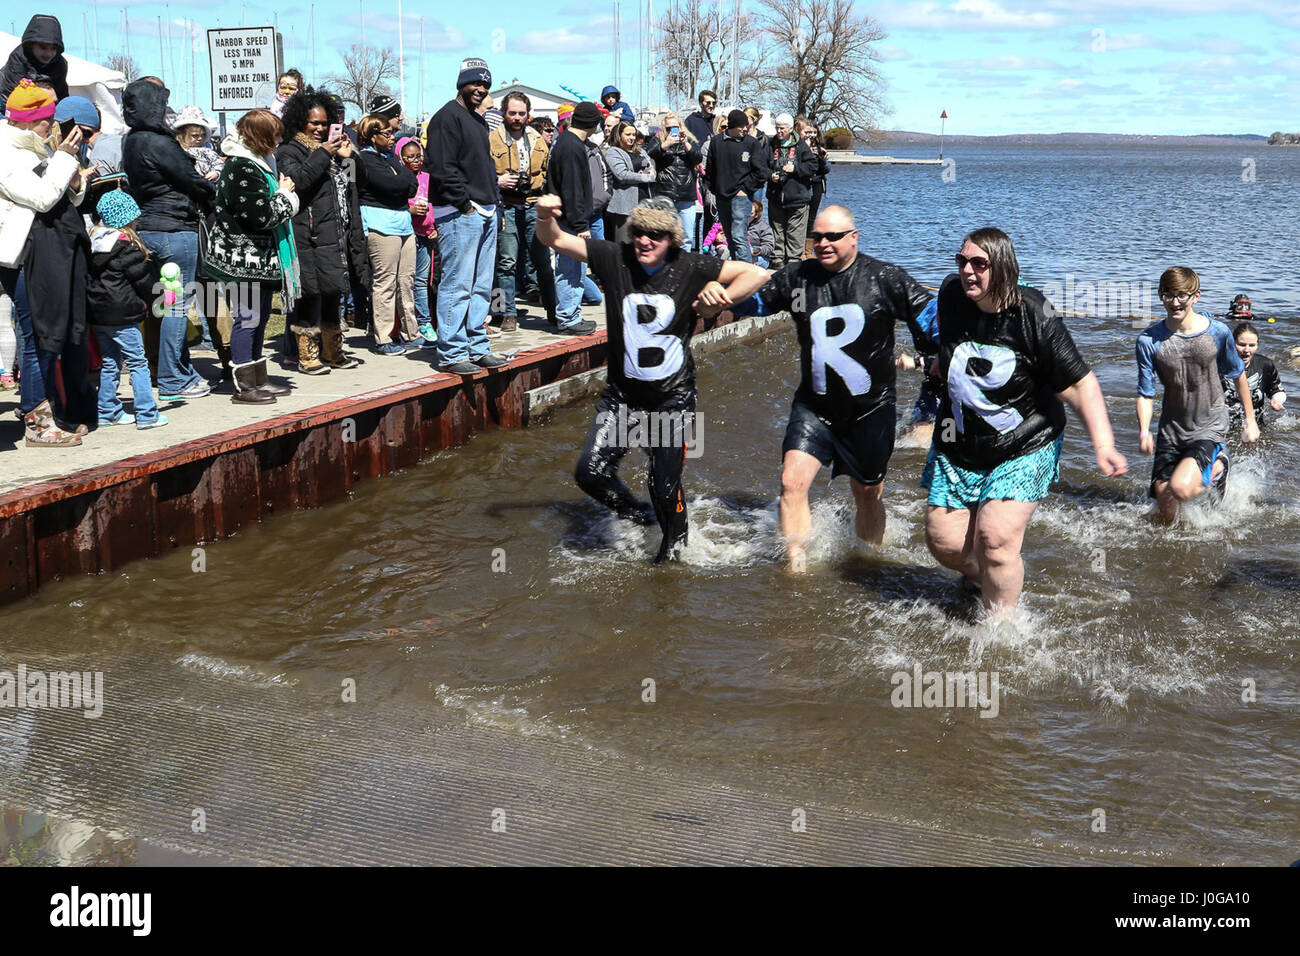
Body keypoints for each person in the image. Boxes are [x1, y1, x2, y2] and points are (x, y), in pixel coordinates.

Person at [536, 194, 770, 562]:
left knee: (663, 486)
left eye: (656, 235)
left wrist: (720, 298)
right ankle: (640, 517)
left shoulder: (691, 266)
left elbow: (756, 273)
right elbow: (555, 239)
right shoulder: (615, 258)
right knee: (591, 473)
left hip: (672, 400)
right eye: (640, 232)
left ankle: (674, 556)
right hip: (623, 398)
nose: (645, 241)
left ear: (672, 241)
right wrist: (543, 215)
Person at [924, 228, 1127, 612]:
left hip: (1025, 442)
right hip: (959, 442)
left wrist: (1103, 445)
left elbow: (1080, 385)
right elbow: (952, 348)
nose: (968, 271)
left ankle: (1001, 631)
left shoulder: (1034, 314)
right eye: (962, 261)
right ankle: (985, 577)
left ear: (1002, 268)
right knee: (945, 544)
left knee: (995, 538)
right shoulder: (951, 296)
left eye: (979, 264)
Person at [736, 206, 936, 569]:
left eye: (833, 237)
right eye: (817, 237)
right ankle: (796, 567)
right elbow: (754, 303)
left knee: (867, 494)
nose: (822, 244)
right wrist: (713, 294)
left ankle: (867, 563)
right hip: (814, 407)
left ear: (854, 238)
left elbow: (931, 316)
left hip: (870, 409)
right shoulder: (798, 277)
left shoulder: (884, 278)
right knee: (791, 483)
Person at [0, 79, 90, 446]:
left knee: (45, 336)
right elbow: (41, 197)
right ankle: (37, 423)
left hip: (41, 253)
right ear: (24, 121)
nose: (51, 126)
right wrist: (64, 160)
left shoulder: (32, 146)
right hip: (20, 256)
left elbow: (65, 196)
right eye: (45, 120)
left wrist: (72, 174)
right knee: (38, 336)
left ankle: (46, 413)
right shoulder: (7, 153)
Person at [1137, 267, 1258, 523]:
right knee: (1164, 502)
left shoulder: (1218, 332)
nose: (1175, 302)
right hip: (1171, 429)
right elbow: (1146, 393)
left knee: (1180, 488)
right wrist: (1144, 430)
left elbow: (1238, 374)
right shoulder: (1148, 341)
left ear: (1196, 297)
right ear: (1160, 295)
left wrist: (1250, 420)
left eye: (1182, 295)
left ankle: (1219, 466)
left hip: (1209, 426)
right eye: (1168, 295)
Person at [121, 77, 215, 400]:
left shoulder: (131, 140)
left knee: (164, 305)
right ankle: (174, 377)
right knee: (176, 306)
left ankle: (177, 370)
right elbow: (189, 179)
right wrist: (211, 192)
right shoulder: (159, 142)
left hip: (147, 227)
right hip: (174, 229)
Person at [201, 109, 300, 405]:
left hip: (260, 256)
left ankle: (258, 378)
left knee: (261, 316)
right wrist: (285, 194)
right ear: (260, 137)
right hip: (241, 258)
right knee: (248, 318)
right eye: (275, 135)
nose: (279, 141)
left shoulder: (260, 163)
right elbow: (261, 215)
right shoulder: (240, 167)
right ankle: (244, 386)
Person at [425, 58, 509, 374]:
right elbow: (442, 166)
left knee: (481, 286)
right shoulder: (446, 117)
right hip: (460, 212)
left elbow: (484, 166)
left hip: (485, 209)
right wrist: (465, 204)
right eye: (476, 83)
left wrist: (495, 204)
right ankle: (451, 352)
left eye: (486, 84)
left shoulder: (477, 120)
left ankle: (476, 346)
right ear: (462, 83)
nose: (481, 89)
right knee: (457, 285)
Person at [277, 88, 367, 375]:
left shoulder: (333, 151)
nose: (319, 128)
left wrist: (346, 157)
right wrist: (323, 154)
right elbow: (299, 181)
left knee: (332, 291)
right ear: (299, 121)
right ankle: (307, 354)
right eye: (313, 122)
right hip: (306, 234)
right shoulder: (289, 151)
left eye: (324, 123)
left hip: (333, 233)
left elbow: (356, 182)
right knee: (309, 294)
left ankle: (333, 351)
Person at [87, 190, 166, 429]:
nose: (137, 220)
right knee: (137, 362)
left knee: (110, 361)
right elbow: (142, 281)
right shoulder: (125, 247)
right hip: (122, 314)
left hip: (99, 313)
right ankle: (147, 413)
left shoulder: (93, 244)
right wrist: (162, 295)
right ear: (126, 219)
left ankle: (107, 410)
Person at [488, 89, 556, 332]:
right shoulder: (492, 139)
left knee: (542, 261)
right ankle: (505, 313)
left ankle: (552, 308)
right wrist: (497, 181)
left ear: (528, 114)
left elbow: (548, 172)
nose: (517, 117)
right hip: (506, 205)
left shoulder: (537, 138)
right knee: (504, 263)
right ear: (504, 113)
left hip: (534, 205)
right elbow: (482, 174)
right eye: (512, 113)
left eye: (521, 113)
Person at [357, 114, 421, 354]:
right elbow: (391, 186)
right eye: (386, 134)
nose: (392, 137)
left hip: (404, 224)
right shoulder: (364, 159)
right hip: (380, 225)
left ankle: (410, 333)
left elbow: (410, 185)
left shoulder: (392, 158)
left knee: (407, 280)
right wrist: (402, 179)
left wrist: (402, 179)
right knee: (385, 282)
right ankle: (383, 337)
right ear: (372, 136)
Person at [544, 101, 606, 338]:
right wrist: (580, 225)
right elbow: (572, 188)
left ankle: (570, 314)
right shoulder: (572, 147)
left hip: (566, 217)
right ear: (593, 124)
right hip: (571, 221)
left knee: (572, 268)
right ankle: (569, 317)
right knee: (571, 270)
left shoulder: (564, 142)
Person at [705, 110, 769, 263]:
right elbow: (710, 168)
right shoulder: (717, 142)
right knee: (729, 237)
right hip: (722, 196)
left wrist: (745, 189)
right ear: (732, 126)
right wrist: (714, 188)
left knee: (739, 236)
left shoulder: (751, 143)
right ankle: (736, 270)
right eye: (741, 126)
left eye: (746, 126)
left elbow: (762, 172)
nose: (745, 129)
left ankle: (747, 274)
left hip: (741, 197)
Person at [396, 136, 439, 344]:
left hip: (425, 236)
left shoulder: (428, 178)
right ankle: (409, 324)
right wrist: (409, 210)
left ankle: (425, 322)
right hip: (405, 235)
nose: (415, 160)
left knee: (422, 281)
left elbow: (436, 205)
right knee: (406, 281)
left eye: (418, 156)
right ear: (401, 158)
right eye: (409, 157)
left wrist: (434, 228)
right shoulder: (398, 177)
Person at [766, 113, 818, 270]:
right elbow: (761, 165)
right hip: (776, 196)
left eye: (782, 128)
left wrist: (795, 168)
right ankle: (777, 260)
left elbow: (812, 167)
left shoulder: (801, 145)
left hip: (797, 196)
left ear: (790, 128)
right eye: (777, 128)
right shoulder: (770, 144)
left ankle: (794, 261)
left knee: (795, 232)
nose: (779, 131)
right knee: (777, 230)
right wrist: (770, 175)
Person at [646, 114, 703, 253]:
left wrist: (685, 143)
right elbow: (650, 153)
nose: (673, 130)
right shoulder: (658, 140)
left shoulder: (689, 140)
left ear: (681, 127)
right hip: (664, 195)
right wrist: (666, 144)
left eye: (675, 127)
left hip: (686, 196)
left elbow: (698, 158)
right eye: (669, 128)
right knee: (661, 236)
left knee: (686, 237)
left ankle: (683, 268)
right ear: (664, 128)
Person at [1224, 319, 1285, 429]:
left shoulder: (1265, 365)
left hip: (1255, 426)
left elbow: (1277, 390)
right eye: (1242, 345)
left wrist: (1276, 400)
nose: (1246, 350)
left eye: (1251, 345)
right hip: (1222, 426)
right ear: (1232, 343)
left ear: (1257, 345)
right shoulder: (1219, 365)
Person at [603, 121, 655, 240]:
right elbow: (622, 175)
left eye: (633, 134)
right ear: (619, 135)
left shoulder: (641, 151)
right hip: (624, 208)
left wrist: (649, 173)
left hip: (644, 203)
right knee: (624, 245)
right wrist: (645, 177)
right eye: (628, 134)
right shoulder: (613, 152)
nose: (632, 137)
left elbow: (652, 167)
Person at [0, 15, 69, 102]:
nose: (48, 53)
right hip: (7, 101)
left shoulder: (60, 64)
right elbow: (10, 93)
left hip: (42, 105)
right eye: (43, 47)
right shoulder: (19, 58)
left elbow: (62, 93)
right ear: (31, 45)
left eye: (53, 48)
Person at [798, 118, 830, 253]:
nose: (811, 135)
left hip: (816, 183)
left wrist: (822, 159)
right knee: (800, 217)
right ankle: (797, 249)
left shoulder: (819, 148)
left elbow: (826, 170)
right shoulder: (799, 146)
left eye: (814, 132)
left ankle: (808, 251)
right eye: (808, 132)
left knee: (812, 218)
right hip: (801, 184)